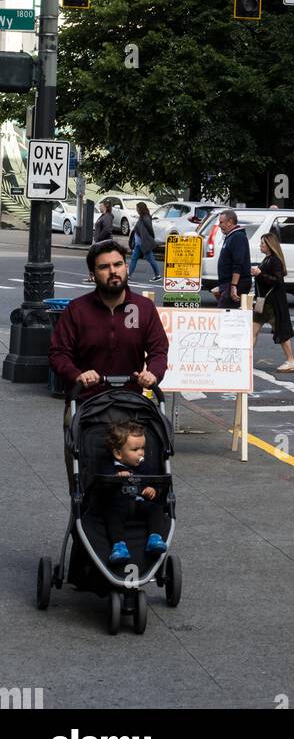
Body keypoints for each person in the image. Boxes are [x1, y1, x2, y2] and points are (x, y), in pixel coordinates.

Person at [49, 240, 170, 487]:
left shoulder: (143, 308)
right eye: (104, 267)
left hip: (130, 404)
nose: (113, 271)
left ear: (126, 267)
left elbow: (159, 349)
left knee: (141, 474)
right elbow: (58, 353)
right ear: (93, 275)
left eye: (118, 264)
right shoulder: (77, 310)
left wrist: (153, 374)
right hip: (86, 404)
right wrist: (77, 375)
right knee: (84, 476)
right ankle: (84, 518)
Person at [97, 420, 167, 563]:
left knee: (156, 508)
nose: (141, 453)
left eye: (143, 448)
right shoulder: (108, 467)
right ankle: (119, 545)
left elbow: (153, 480)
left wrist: (152, 489)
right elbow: (100, 490)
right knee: (112, 517)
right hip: (118, 506)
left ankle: (155, 537)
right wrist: (116, 478)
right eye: (135, 450)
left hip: (140, 504)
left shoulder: (145, 467)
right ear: (118, 453)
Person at [252, 231, 294, 373]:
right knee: (252, 332)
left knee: (281, 332)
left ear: (270, 245)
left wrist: (260, 274)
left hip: (271, 304)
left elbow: (277, 280)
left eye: (262, 243)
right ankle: (245, 360)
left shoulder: (275, 260)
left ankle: (291, 361)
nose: (260, 246)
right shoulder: (267, 259)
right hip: (262, 302)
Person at [213, 209, 251, 310]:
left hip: (235, 283)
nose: (219, 225)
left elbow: (238, 263)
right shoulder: (230, 236)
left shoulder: (238, 237)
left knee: (224, 313)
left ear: (229, 222)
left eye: (221, 222)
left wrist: (234, 286)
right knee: (227, 313)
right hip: (227, 283)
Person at [127, 202, 159, 281]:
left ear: (141, 209)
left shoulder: (145, 218)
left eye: (137, 208)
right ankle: (129, 275)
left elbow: (150, 229)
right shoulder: (141, 217)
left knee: (150, 259)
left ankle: (158, 275)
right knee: (134, 258)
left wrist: (151, 238)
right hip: (139, 243)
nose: (136, 210)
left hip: (144, 243)